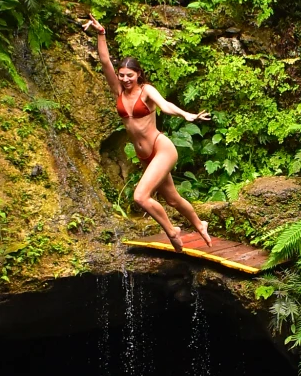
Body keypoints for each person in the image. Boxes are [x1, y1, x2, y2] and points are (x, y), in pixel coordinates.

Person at [83, 16, 212, 252]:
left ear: (138, 75)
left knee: (140, 197)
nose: (124, 79)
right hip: (145, 156)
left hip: (161, 148)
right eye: (122, 75)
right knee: (172, 199)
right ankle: (199, 223)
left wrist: (186, 115)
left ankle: (172, 231)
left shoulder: (146, 91)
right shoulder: (118, 92)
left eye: (129, 76)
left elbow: (165, 106)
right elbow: (104, 63)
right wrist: (101, 34)